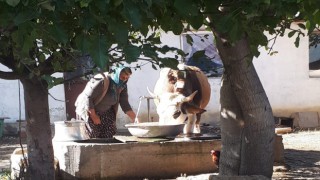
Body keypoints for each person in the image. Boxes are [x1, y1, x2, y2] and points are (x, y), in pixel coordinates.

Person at [79, 66, 138, 138]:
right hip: (91, 110)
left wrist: (135, 119)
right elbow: (88, 98)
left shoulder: (122, 86)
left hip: (107, 113)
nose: (124, 80)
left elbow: (125, 104)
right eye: (122, 77)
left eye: (127, 78)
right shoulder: (103, 81)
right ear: (117, 75)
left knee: (109, 134)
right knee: (93, 134)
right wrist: (94, 116)